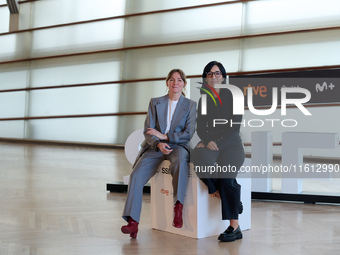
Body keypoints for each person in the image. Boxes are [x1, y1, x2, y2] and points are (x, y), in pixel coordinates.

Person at [121, 69, 197, 238]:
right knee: (136, 175)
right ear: (167, 83)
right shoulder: (155, 103)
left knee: (179, 163)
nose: (175, 83)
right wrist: (159, 142)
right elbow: (148, 131)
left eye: (179, 80)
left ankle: (178, 207)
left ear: (184, 84)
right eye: (171, 79)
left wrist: (165, 136)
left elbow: (188, 133)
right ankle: (133, 222)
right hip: (155, 146)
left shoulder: (190, 105)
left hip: (178, 146)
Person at [192, 61, 245, 242]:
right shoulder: (204, 99)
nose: (213, 77)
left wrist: (216, 141)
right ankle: (221, 192)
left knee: (226, 176)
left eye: (217, 73)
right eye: (209, 73)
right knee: (197, 155)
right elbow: (201, 127)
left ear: (223, 76)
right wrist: (206, 141)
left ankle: (234, 227)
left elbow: (234, 126)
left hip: (231, 145)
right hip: (211, 144)